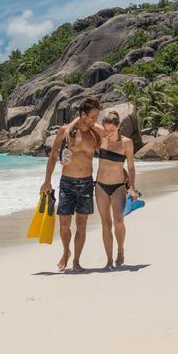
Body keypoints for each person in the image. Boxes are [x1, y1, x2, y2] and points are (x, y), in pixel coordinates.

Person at [63, 110, 137, 270]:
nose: (108, 133)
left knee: (118, 222)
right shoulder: (101, 139)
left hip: (118, 186)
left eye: (112, 130)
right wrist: (68, 128)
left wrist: (132, 187)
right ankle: (109, 261)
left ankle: (120, 249)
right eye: (106, 130)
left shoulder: (127, 143)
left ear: (119, 127)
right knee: (106, 223)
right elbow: (83, 119)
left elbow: (130, 167)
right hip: (101, 186)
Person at [40, 98, 101, 272]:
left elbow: (107, 144)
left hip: (87, 184)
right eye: (93, 116)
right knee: (65, 225)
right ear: (83, 114)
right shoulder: (65, 132)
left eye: (97, 116)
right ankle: (66, 252)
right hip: (67, 183)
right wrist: (47, 181)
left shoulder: (94, 135)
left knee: (82, 225)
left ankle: (76, 261)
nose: (95, 120)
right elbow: (53, 157)